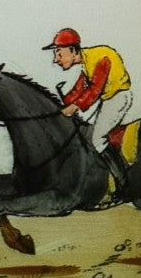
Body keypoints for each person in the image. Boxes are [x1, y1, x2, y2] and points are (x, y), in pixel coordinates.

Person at [45, 27, 133, 192]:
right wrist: (60, 105)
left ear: (73, 50)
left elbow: (95, 90)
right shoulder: (86, 64)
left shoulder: (101, 57)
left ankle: (124, 184)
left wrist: (73, 107)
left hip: (118, 97)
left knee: (98, 139)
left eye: (59, 54)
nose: (56, 60)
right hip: (108, 99)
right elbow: (79, 90)